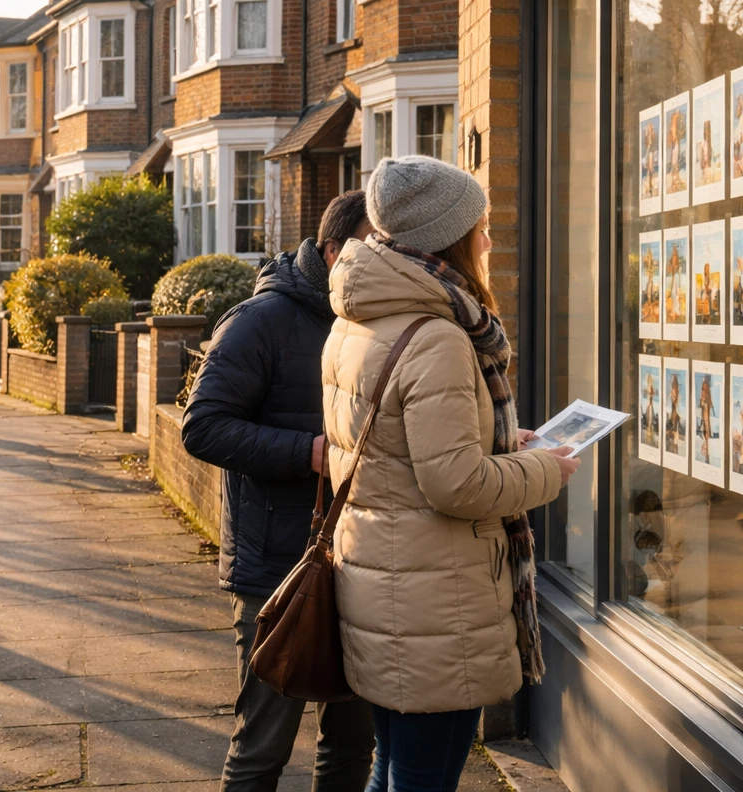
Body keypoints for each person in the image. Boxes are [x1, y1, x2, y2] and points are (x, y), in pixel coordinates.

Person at [321, 157, 579, 792]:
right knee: (421, 778)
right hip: (434, 606)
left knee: (394, 767)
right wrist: (541, 470)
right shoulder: (437, 335)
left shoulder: (358, 318)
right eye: (481, 227)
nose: (489, 240)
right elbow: (455, 485)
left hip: (387, 586)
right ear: (448, 239)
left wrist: (497, 440)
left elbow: (388, 452)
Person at [182, 190, 375, 792]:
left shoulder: (373, 321)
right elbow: (202, 426)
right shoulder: (259, 320)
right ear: (332, 250)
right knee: (262, 747)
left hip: (362, 563)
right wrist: (309, 453)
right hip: (278, 572)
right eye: (373, 250)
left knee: (350, 746)